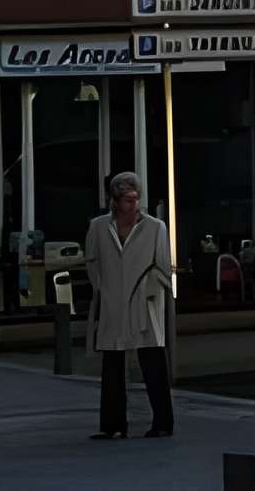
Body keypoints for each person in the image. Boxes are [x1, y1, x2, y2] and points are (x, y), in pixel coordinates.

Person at [83, 172, 175, 441]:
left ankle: (163, 422)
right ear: (114, 201)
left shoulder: (154, 227)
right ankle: (113, 424)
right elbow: (92, 261)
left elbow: (162, 267)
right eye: (126, 199)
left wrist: (146, 292)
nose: (132, 205)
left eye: (135, 199)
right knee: (112, 365)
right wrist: (103, 289)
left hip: (143, 304)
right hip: (113, 303)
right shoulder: (99, 227)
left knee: (153, 363)